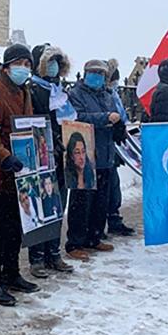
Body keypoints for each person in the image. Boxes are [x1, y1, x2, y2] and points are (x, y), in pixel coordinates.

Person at [0, 44, 41, 306]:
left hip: (23, 171)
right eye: (20, 64)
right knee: (1, 228)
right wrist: (4, 155)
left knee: (18, 226)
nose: (24, 69)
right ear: (6, 67)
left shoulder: (24, 91)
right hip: (4, 170)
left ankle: (12, 272)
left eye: (28, 65)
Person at [27, 44, 74, 278]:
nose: (54, 66)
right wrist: (50, 138)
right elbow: (31, 121)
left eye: (57, 62)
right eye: (50, 62)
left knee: (57, 206)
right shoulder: (33, 89)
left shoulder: (59, 90)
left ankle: (53, 253)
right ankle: (36, 257)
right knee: (40, 206)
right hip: (42, 154)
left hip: (61, 155)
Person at [66, 59, 120, 261]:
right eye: (93, 72)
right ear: (85, 73)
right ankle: (75, 242)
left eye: (100, 73)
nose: (96, 76)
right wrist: (105, 118)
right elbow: (77, 117)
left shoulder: (107, 95)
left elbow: (116, 116)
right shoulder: (75, 94)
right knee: (81, 202)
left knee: (100, 202)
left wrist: (118, 125)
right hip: (85, 156)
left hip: (105, 155)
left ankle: (94, 237)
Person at [104, 59, 134, 237]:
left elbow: (121, 115)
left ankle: (114, 218)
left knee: (113, 186)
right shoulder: (106, 95)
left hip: (115, 146)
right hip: (106, 146)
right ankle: (108, 220)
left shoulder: (113, 94)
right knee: (108, 186)